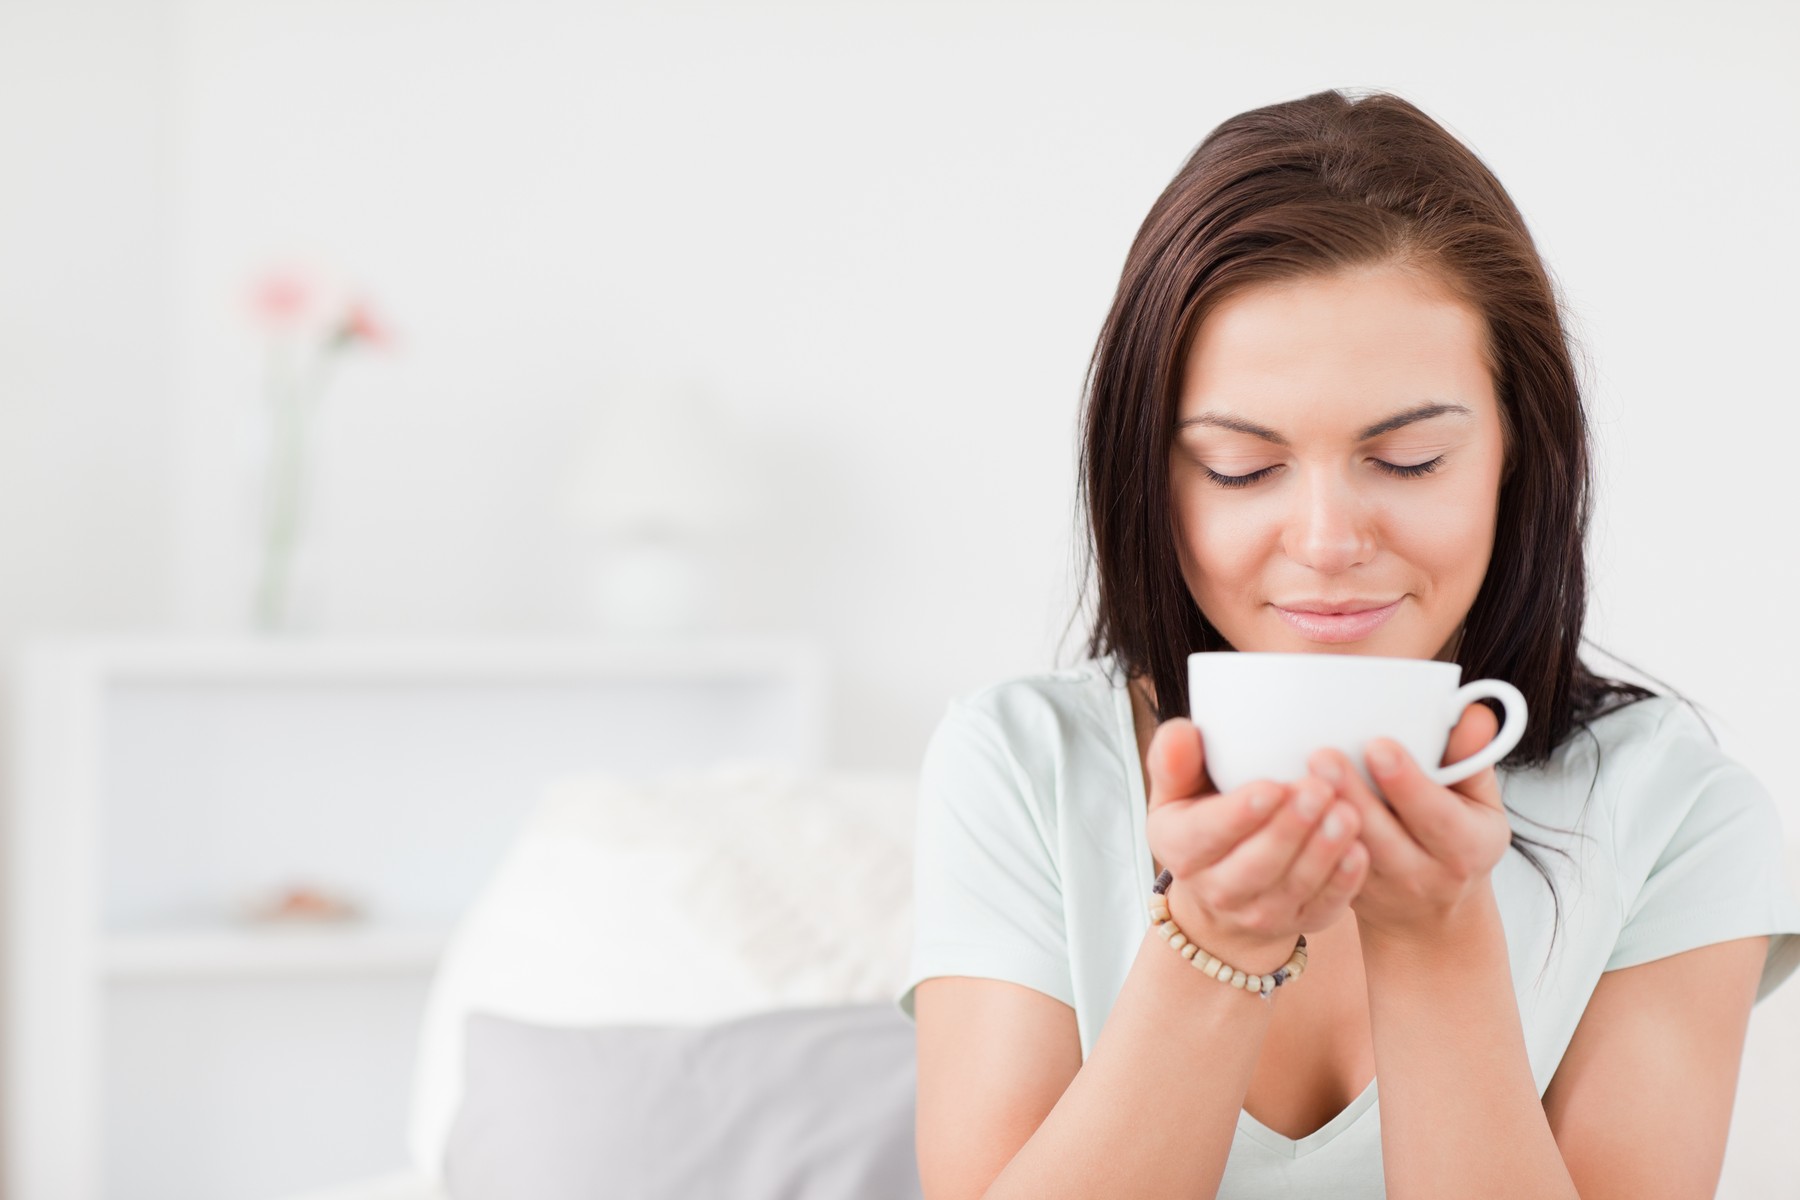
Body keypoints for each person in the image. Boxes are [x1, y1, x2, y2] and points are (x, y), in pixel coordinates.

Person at [894, 87, 1800, 1200]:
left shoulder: (1676, 813)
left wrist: (1436, 942)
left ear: (1520, 457)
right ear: (1148, 476)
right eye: (1241, 468)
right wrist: (1216, 942)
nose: (1326, 543)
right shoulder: (1024, 767)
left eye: (1410, 460)